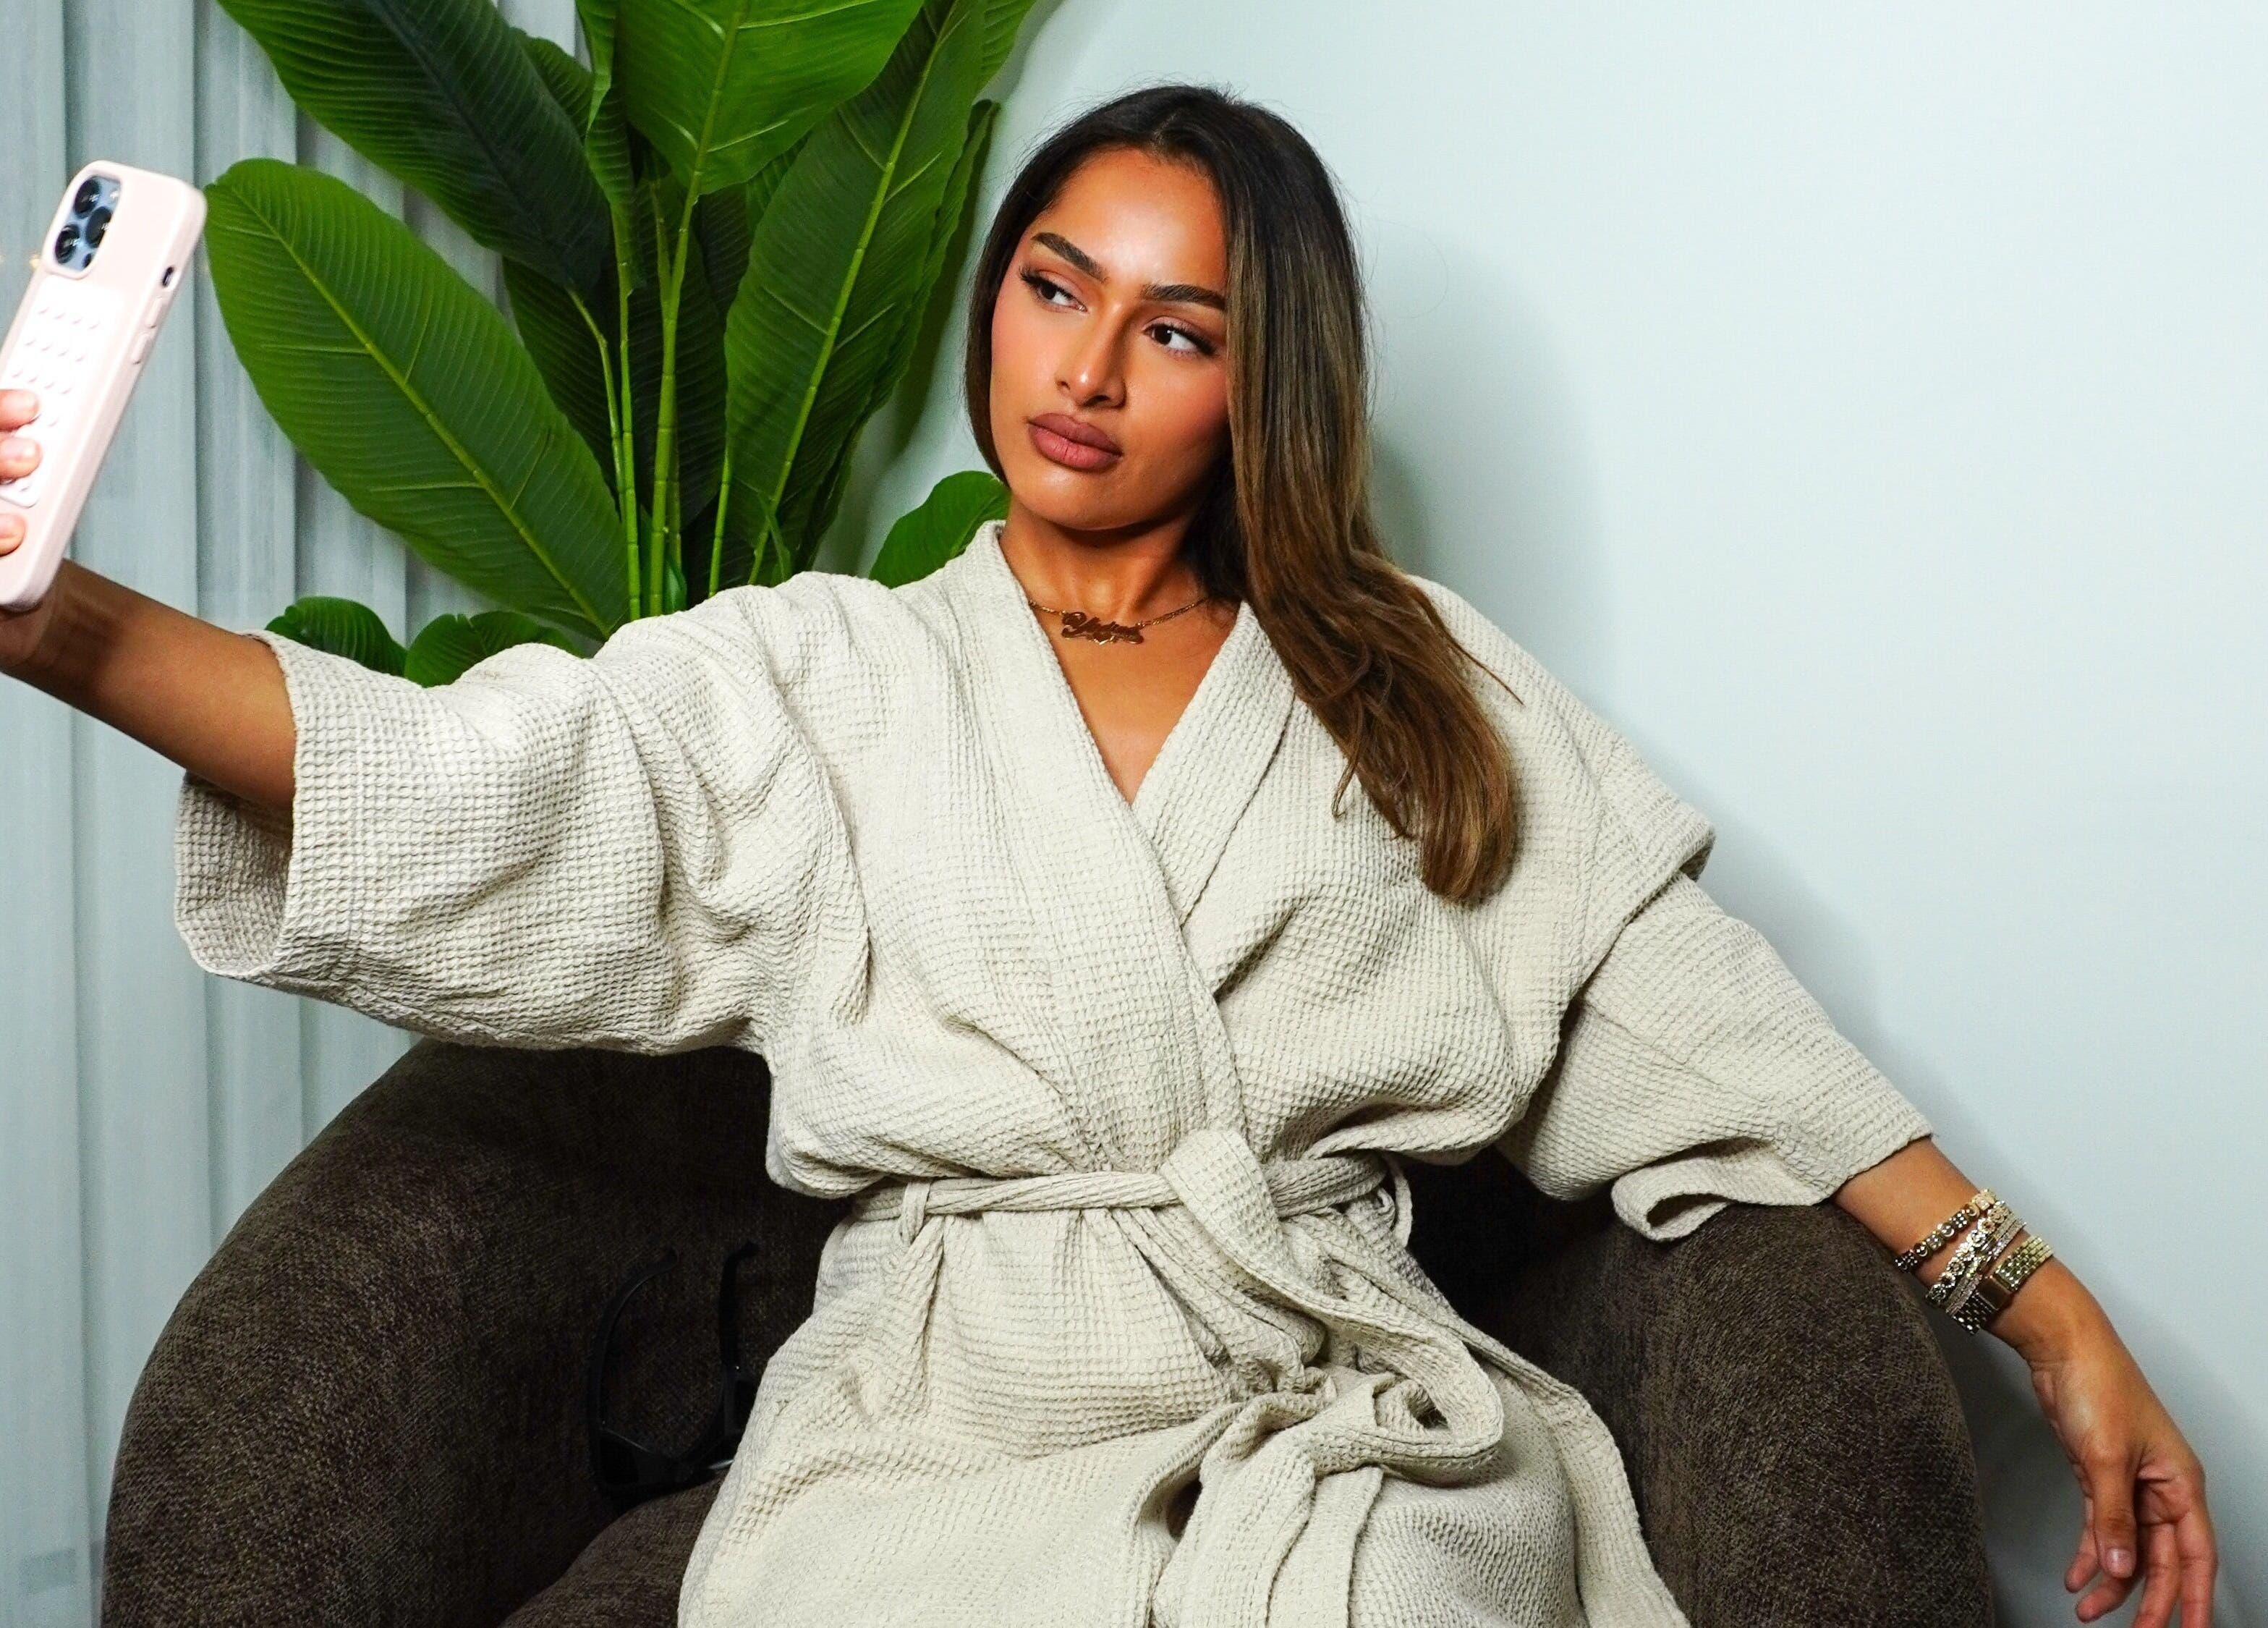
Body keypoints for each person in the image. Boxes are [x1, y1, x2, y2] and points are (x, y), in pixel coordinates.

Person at [0, 82, 2216, 1628]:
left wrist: (2044, 1306)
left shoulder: (1408, 680)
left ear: (1266, 386)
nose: (1090, 369)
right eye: (1056, 288)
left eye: (1179, 331)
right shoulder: (819, 670)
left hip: (1335, 1403)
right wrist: (59, 620)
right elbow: (484, 778)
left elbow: (1686, 1008)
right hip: (940, 1411)